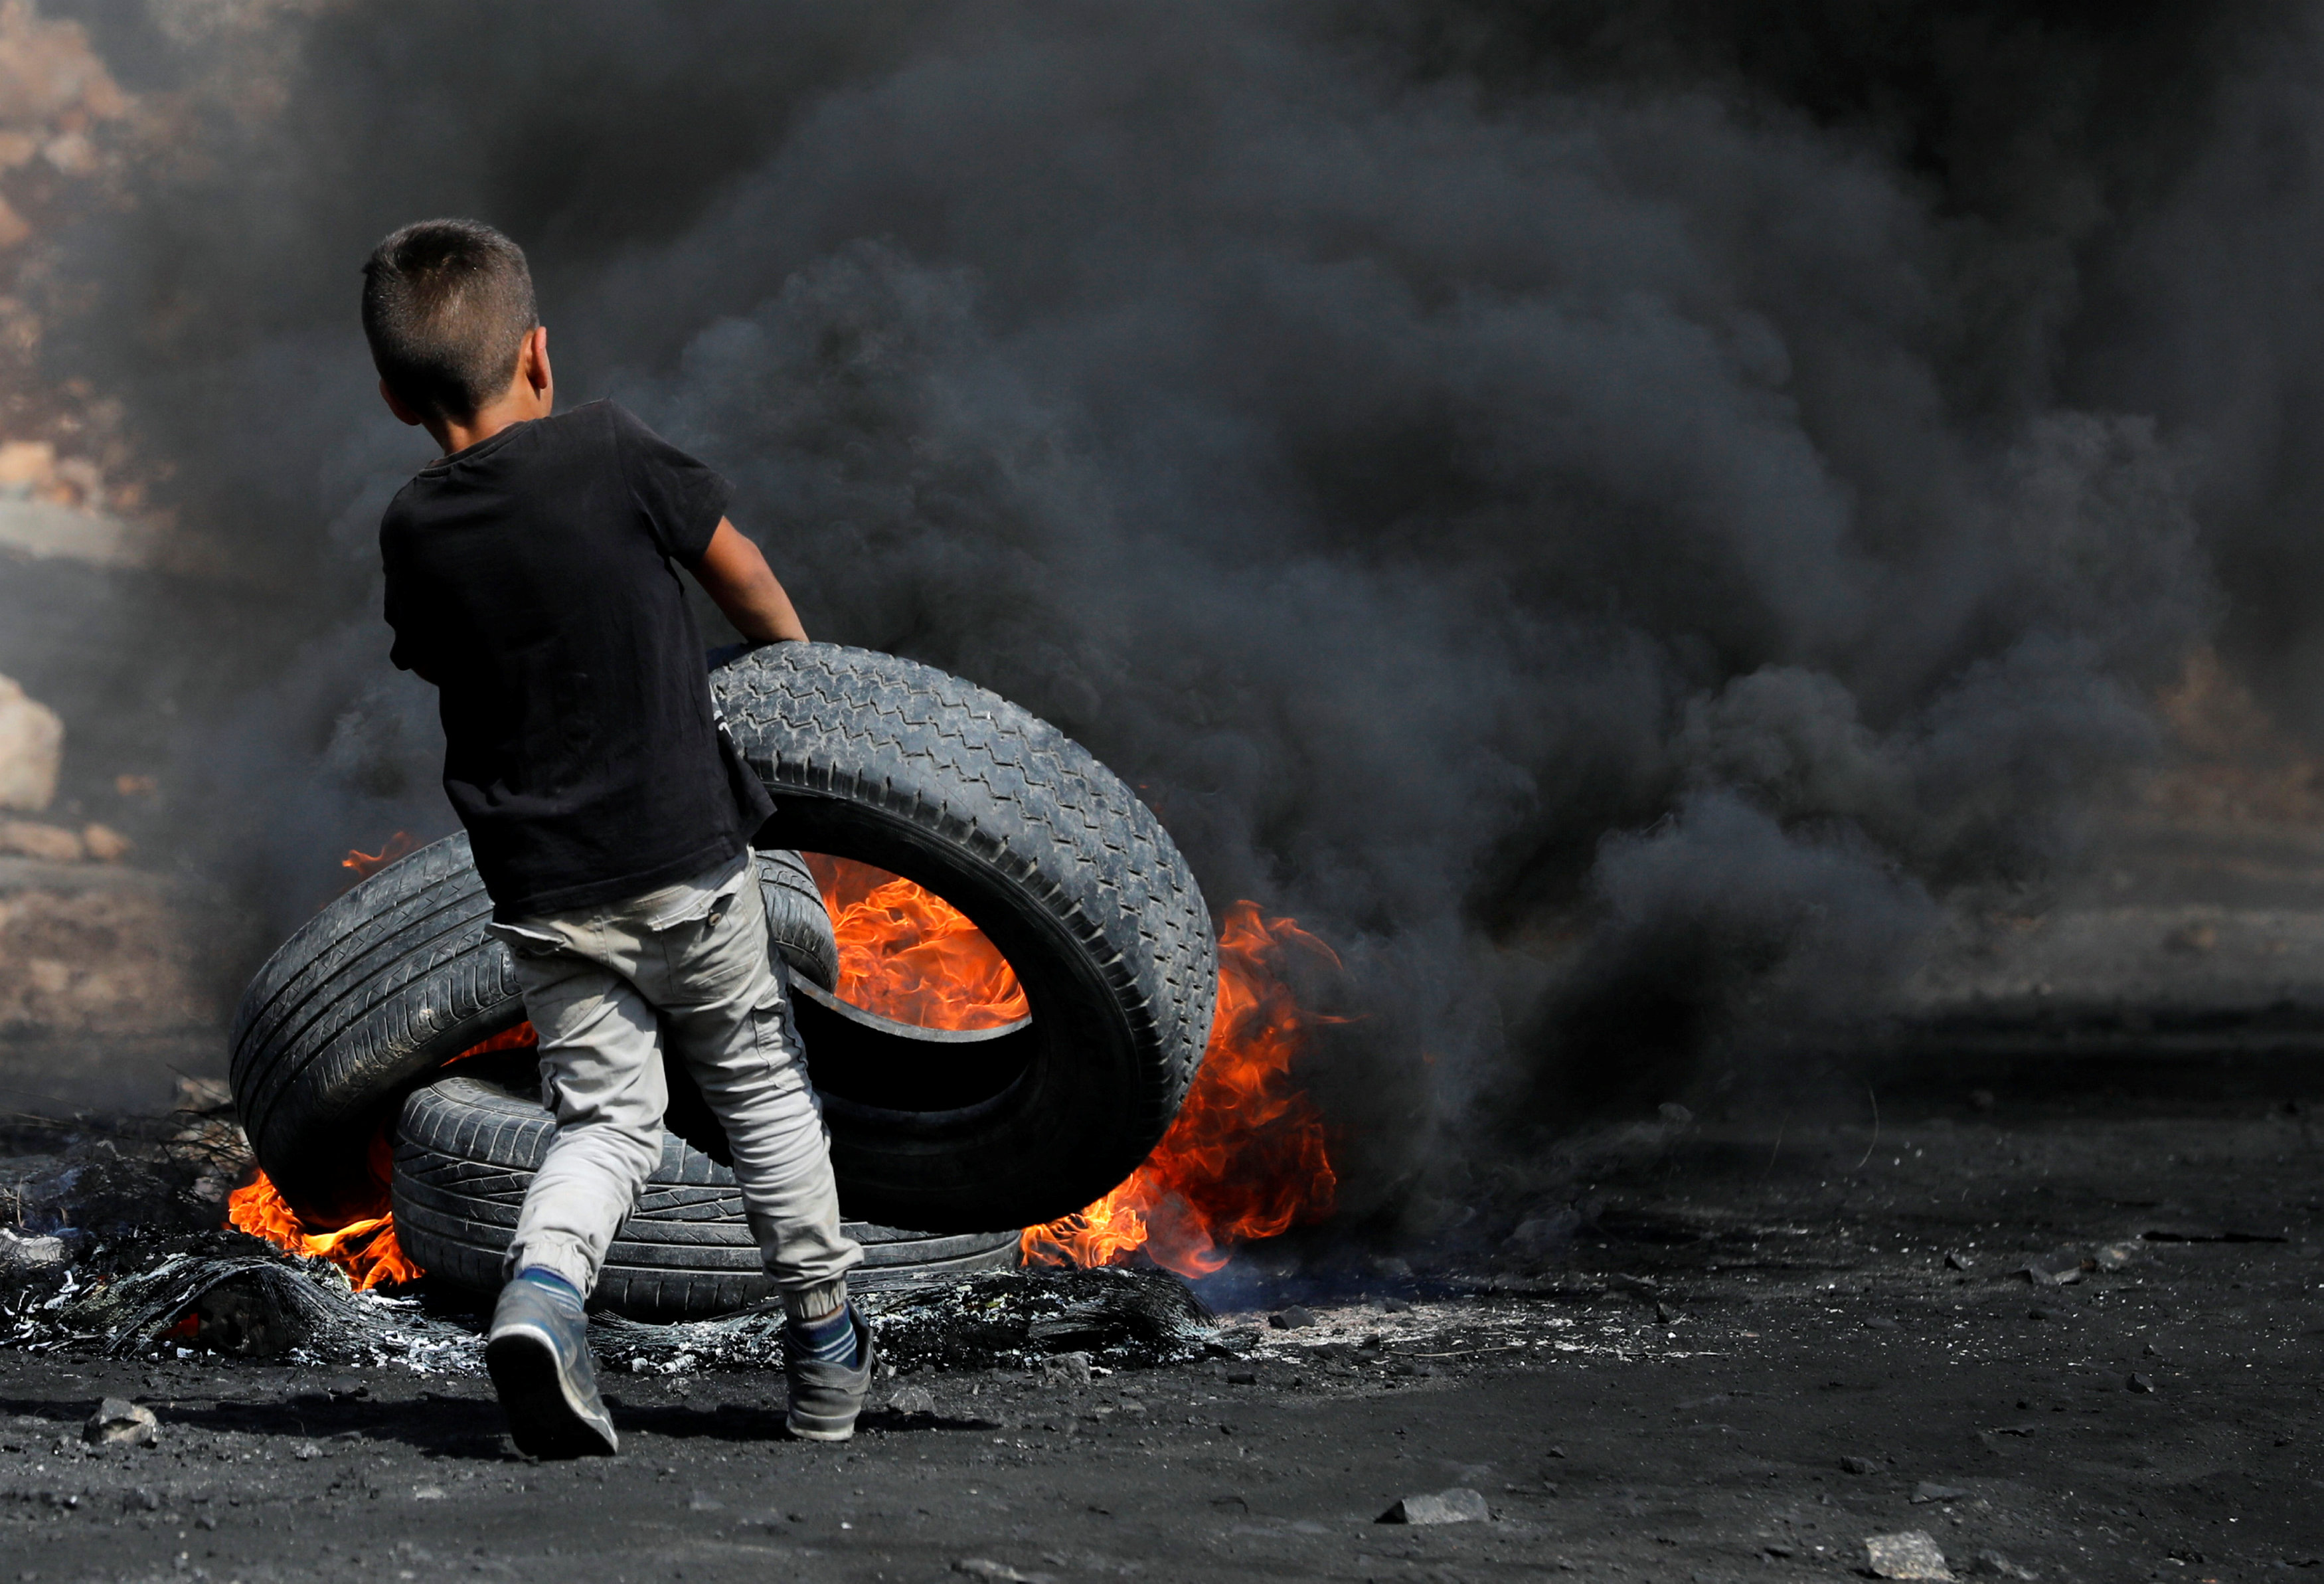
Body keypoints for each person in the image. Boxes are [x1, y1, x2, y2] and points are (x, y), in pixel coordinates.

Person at [361, 218, 870, 1456]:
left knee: (605, 1125)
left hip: (544, 894)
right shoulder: (614, 449)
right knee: (760, 1089)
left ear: (392, 398)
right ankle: (824, 1348)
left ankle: (541, 1295)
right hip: (691, 867)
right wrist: (801, 680)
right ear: (540, 353)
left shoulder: (411, 529)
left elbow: (441, 656)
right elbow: (738, 575)